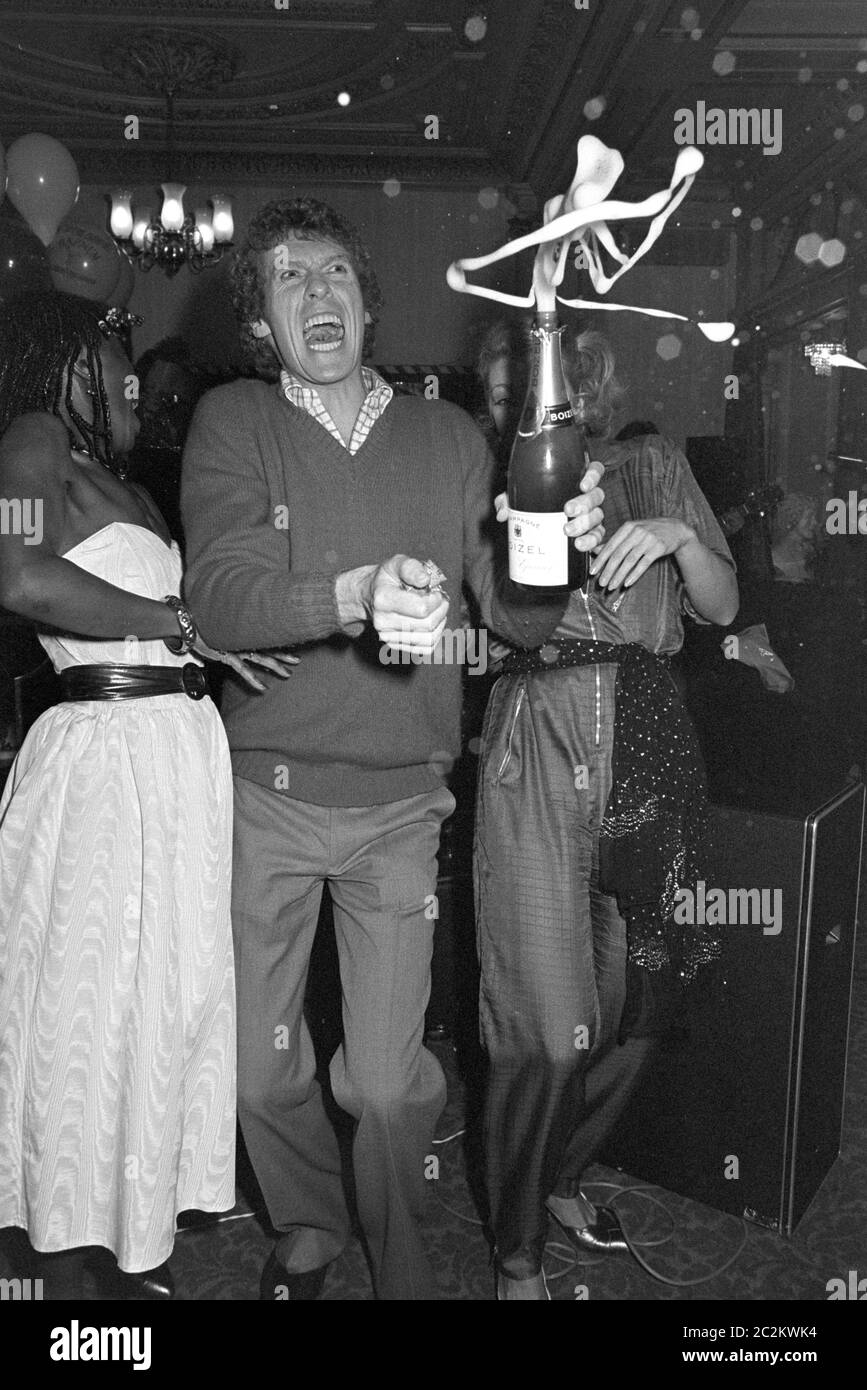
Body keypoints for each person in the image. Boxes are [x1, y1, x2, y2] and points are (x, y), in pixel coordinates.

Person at [179, 197, 605, 1301]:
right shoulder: (234, 420)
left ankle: (400, 1261)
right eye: (286, 278)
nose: (315, 292)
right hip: (261, 797)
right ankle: (311, 1219)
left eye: (333, 273)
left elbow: (519, 623)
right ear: (263, 323)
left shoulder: (450, 434)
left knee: (382, 1081)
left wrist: (553, 539)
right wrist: (353, 593)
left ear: (369, 301)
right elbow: (219, 601)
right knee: (259, 1069)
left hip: (401, 809)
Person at [0, 291, 293, 1299]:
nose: (133, 378)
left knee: (159, 1001)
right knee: (86, 1001)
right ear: (62, 366)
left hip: (173, 756)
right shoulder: (30, 443)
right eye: (111, 359)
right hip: (102, 760)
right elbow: (18, 576)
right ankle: (56, 1244)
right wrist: (172, 621)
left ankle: (128, 1230)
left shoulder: (122, 483)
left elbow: (189, 619)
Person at [475, 326, 739, 1299]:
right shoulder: (490, 485)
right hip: (540, 736)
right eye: (500, 398)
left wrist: (678, 538)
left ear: (578, 382)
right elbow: (510, 621)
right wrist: (526, 526)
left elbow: (720, 602)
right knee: (546, 1027)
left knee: (639, 1010)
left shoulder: (653, 463)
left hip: (654, 737)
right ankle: (515, 1255)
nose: (516, 412)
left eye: (530, 391)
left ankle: (558, 1173)